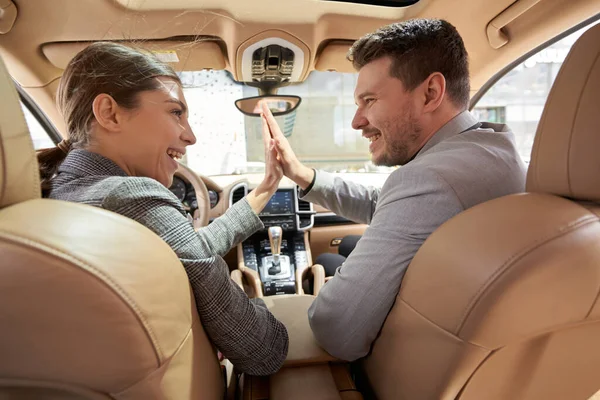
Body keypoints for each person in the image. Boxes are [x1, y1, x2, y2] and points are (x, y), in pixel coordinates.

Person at [261, 18, 527, 361]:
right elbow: (387, 204)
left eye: (369, 100)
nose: (356, 121)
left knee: (326, 261)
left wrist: (329, 291)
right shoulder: (492, 147)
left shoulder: (430, 180)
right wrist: (302, 175)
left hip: (419, 362)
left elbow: (334, 326)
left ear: (430, 93)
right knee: (349, 247)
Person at [38, 42, 288, 375]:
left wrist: (267, 186)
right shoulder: (133, 197)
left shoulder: (52, 190)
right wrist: (262, 305)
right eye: (176, 112)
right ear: (110, 113)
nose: (191, 136)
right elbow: (261, 351)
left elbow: (189, 250)